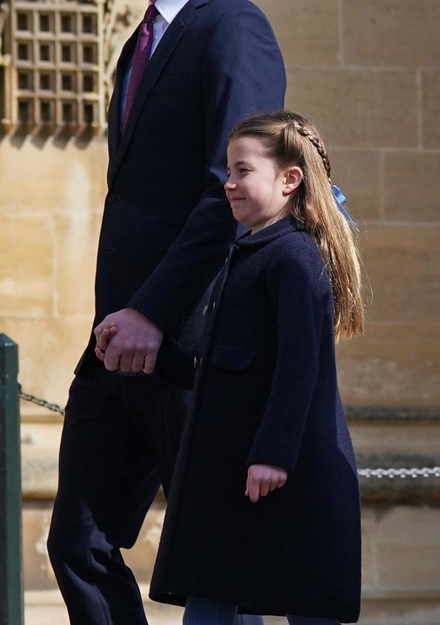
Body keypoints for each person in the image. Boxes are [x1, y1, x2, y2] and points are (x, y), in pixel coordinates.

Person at [47, 0, 288, 625]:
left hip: (193, 342)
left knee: (216, 561)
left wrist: (154, 309)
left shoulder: (234, 29)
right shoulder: (137, 45)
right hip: (120, 342)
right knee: (75, 542)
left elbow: (234, 192)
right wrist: (126, 317)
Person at [148, 111, 363, 625]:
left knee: (303, 608)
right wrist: (156, 355)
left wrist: (273, 455)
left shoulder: (292, 256)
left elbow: (300, 366)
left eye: (242, 171)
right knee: (211, 602)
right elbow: (228, 364)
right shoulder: (248, 253)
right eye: (229, 171)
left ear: (289, 180)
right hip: (235, 477)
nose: (228, 184)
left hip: (282, 477)